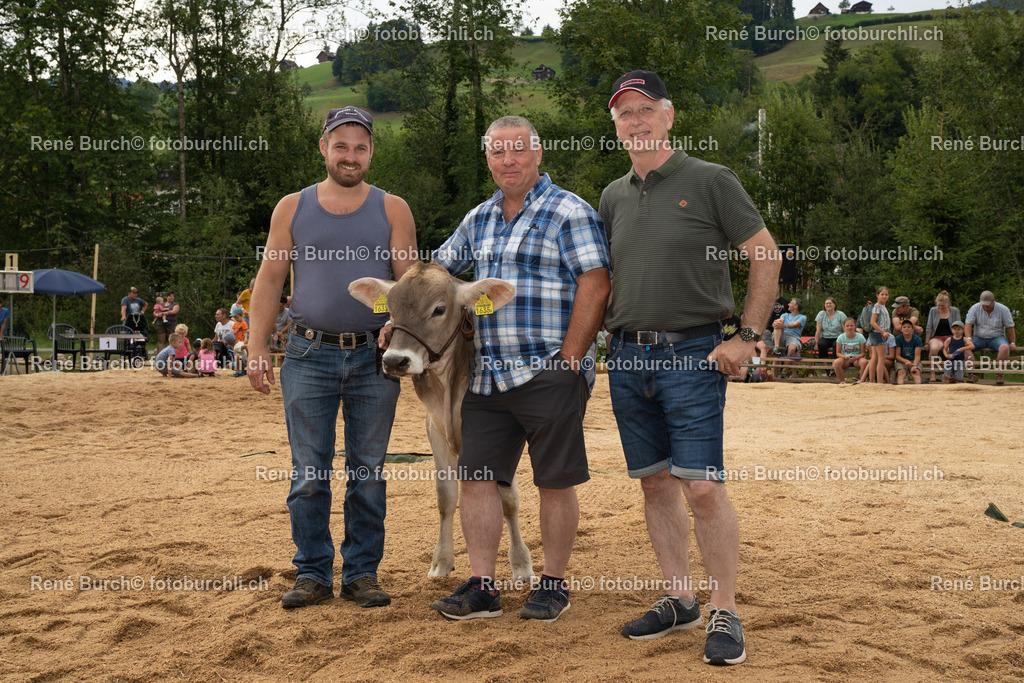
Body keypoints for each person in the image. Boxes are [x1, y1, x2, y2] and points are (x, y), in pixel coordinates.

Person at [599, 70, 780, 667]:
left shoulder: (711, 180)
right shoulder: (613, 195)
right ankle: (679, 597)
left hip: (692, 353)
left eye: (645, 110)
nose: (636, 121)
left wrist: (748, 336)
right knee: (655, 484)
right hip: (626, 355)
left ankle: (724, 606)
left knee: (701, 487)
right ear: (617, 126)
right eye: (625, 114)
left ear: (668, 116)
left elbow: (765, 255)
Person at [428, 115, 610, 624]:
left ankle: (553, 583)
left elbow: (596, 284)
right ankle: (484, 586)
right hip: (486, 376)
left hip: (548, 369)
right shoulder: (478, 218)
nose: (507, 160)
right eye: (496, 151)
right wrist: (400, 313)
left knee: (554, 482)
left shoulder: (569, 211)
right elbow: (436, 273)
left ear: (538, 152)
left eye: (517, 150)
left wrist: (570, 360)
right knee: (477, 479)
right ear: (487, 158)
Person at [247, 105, 417, 610]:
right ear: (323, 148)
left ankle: (362, 573)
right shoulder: (291, 207)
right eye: (340, 146)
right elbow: (270, 281)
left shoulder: (393, 209)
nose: (350, 155)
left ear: (370, 153)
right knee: (308, 473)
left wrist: (398, 321)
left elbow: (407, 281)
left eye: (360, 147)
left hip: (374, 356)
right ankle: (313, 572)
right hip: (306, 352)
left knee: (368, 472)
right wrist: (257, 347)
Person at [964, 290, 1016, 385]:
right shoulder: (974, 308)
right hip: (979, 337)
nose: (985, 306)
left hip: (997, 337)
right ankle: (972, 373)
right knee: (965, 347)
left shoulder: (1003, 309)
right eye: (983, 304)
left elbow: (1010, 326)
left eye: (988, 304)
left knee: (1005, 347)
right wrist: (968, 339)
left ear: (993, 301)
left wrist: (1012, 343)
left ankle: (999, 373)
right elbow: (968, 324)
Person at [923, 291, 960, 383]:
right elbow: (929, 327)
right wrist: (927, 342)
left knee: (950, 350)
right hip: (937, 336)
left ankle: (950, 374)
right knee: (934, 349)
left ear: (948, 303)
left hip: (950, 336)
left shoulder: (955, 311)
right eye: (939, 305)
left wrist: (958, 340)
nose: (940, 307)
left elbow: (959, 326)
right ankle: (933, 374)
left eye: (942, 306)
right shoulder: (933, 310)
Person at [866, 287, 891, 383]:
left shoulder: (882, 307)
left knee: (875, 358)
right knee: (881, 359)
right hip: (878, 334)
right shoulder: (877, 307)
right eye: (882, 294)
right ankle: (879, 381)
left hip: (875, 334)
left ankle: (872, 381)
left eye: (886, 294)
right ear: (877, 295)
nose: (884, 296)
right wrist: (883, 332)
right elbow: (873, 322)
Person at [833, 317, 866, 383]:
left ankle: (862, 381)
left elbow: (863, 353)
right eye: (847, 326)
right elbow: (838, 353)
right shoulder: (840, 337)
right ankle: (842, 381)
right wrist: (845, 357)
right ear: (844, 327)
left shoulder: (860, 337)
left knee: (864, 362)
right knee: (836, 363)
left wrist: (856, 358)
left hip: (857, 359)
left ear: (855, 326)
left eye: (851, 325)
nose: (849, 328)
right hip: (845, 359)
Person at [120, 286, 149, 359]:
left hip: (137, 320)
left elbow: (146, 304)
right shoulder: (125, 299)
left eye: (136, 293)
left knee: (140, 331)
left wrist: (142, 311)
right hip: (128, 320)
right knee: (126, 333)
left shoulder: (138, 300)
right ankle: (127, 348)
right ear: (129, 293)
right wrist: (123, 316)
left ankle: (140, 347)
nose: (135, 295)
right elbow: (123, 309)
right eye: (134, 293)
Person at [893, 319, 924, 385]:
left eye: (909, 327)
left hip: (914, 360)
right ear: (901, 329)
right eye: (904, 327)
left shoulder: (917, 339)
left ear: (912, 329)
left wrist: (914, 365)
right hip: (902, 361)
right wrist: (905, 361)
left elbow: (917, 356)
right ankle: (900, 388)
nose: (906, 329)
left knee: (916, 372)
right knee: (901, 372)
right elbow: (897, 356)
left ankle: (919, 387)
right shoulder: (898, 339)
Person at [230, 305, 249, 377]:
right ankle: (240, 370)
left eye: (237, 317)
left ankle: (241, 371)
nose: (236, 319)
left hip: (241, 342)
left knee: (240, 356)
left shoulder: (243, 323)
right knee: (236, 357)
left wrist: (245, 341)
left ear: (241, 316)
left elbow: (245, 333)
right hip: (236, 343)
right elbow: (234, 334)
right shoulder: (235, 324)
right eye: (235, 318)